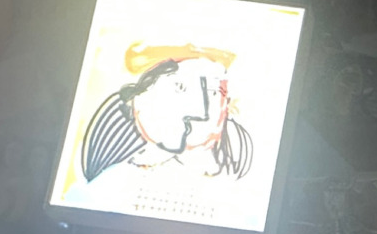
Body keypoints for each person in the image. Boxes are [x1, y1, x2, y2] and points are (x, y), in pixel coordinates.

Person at [80, 42, 252, 184]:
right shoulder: (109, 181)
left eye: (213, 92)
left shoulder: (229, 182)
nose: (200, 112)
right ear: (140, 97)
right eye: (180, 87)